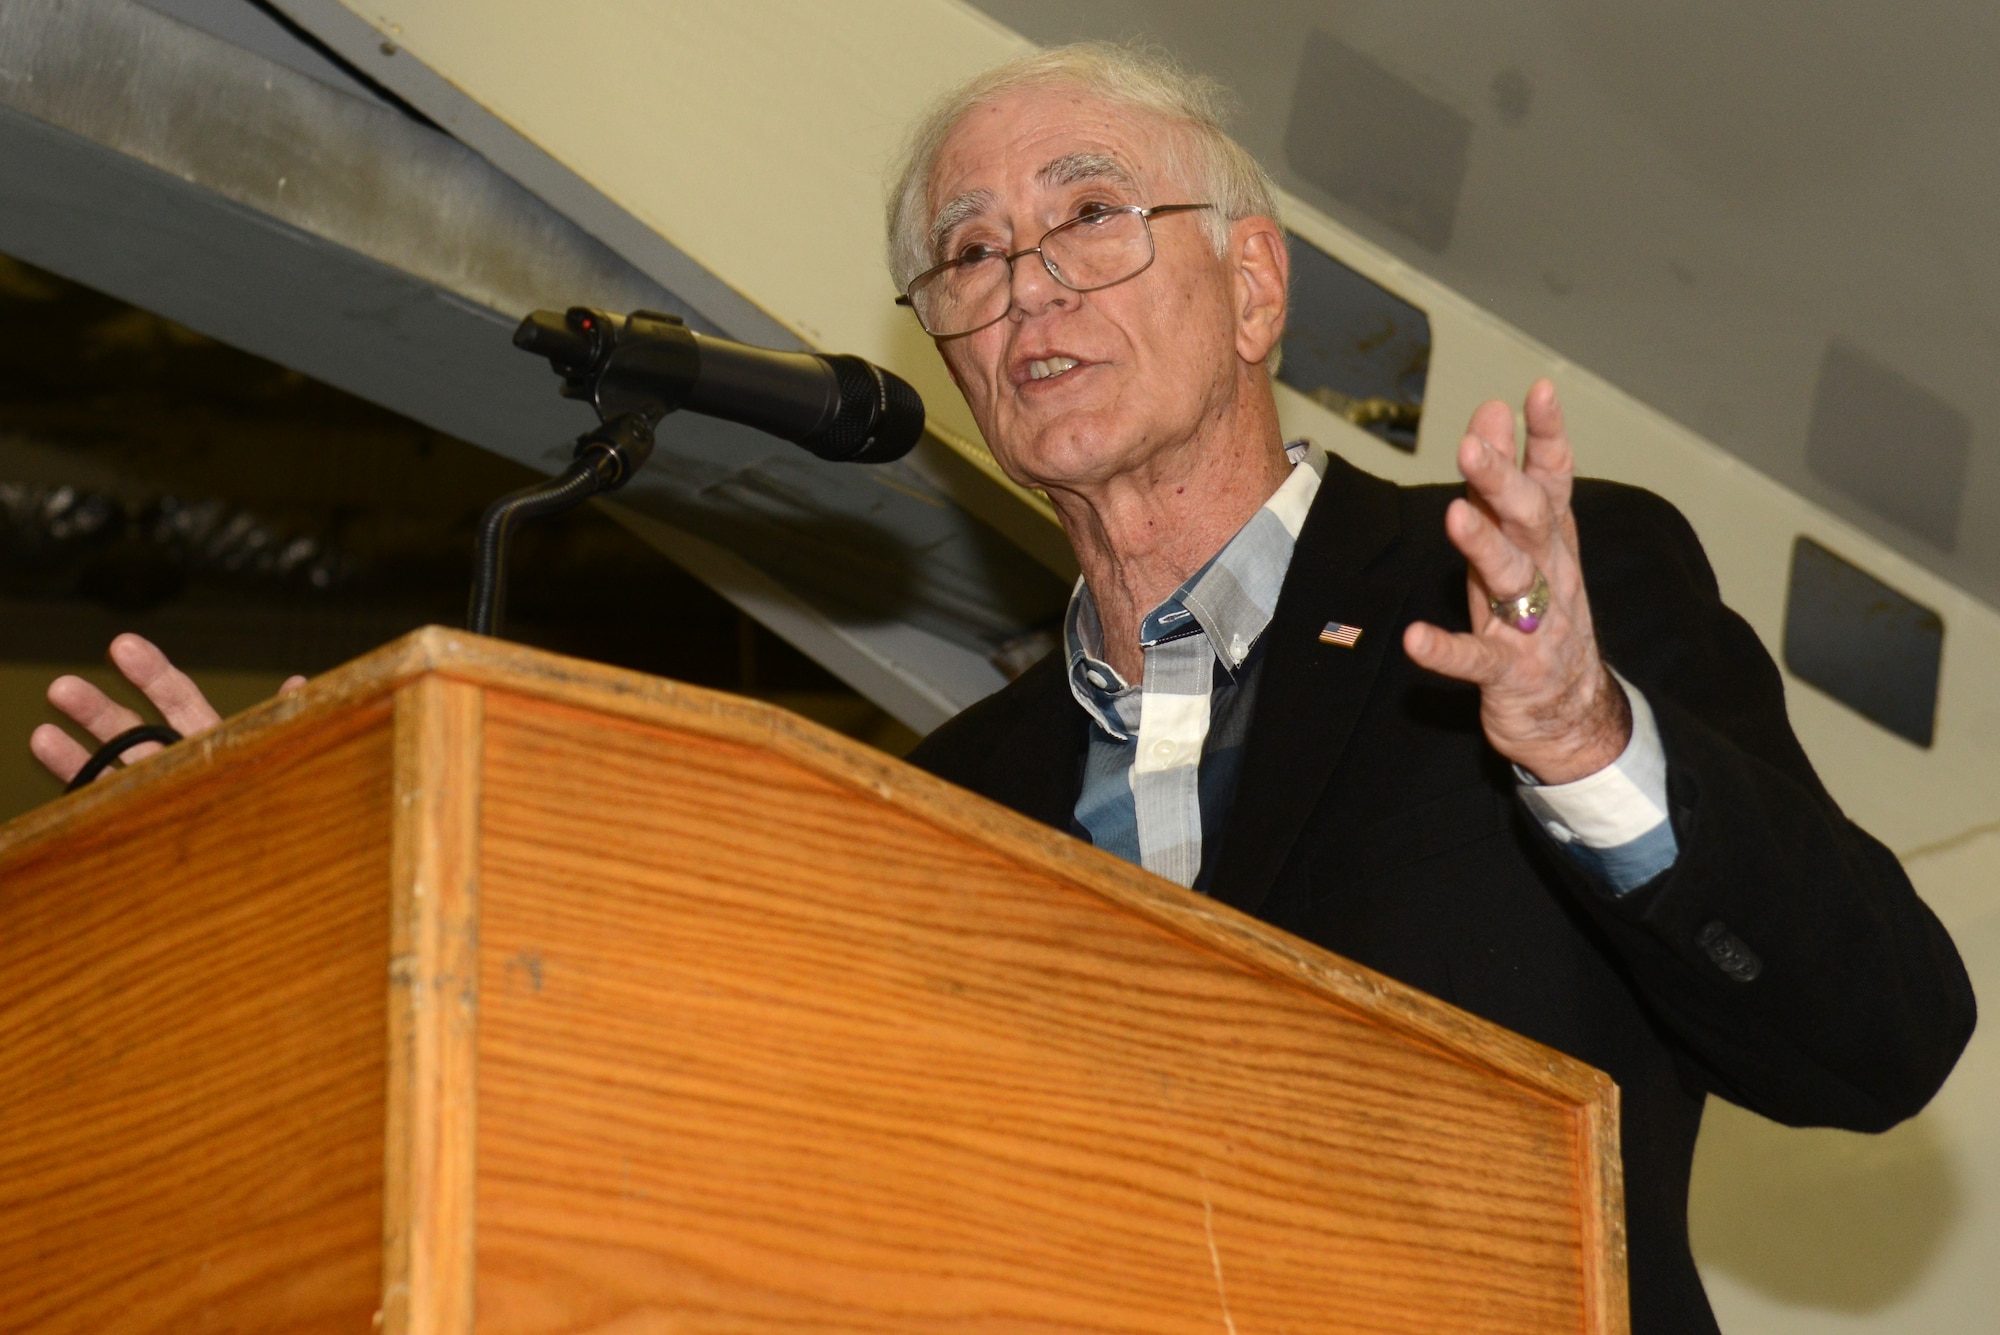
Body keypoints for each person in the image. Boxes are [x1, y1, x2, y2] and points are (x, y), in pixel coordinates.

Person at [33, 42, 1973, 1335]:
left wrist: (1582, 741)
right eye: (965, 255)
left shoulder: (1530, 593)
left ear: (1260, 289)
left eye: (1087, 215)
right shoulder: (922, 801)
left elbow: (1876, 1033)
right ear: (951, 356)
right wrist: (293, 881)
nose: (1024, 281)